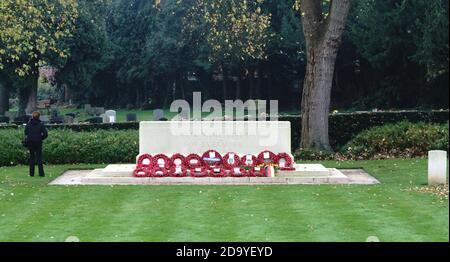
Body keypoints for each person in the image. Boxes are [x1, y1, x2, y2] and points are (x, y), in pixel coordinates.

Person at [24, 111, 48, 177]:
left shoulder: (28, 124)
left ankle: (31, 173)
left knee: (32, 157)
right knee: (39, 157)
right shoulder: (41, 124)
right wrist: (41, 138)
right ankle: (41, 173)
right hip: (38, 142)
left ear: (32, 116)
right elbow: (45, 134)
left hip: (30, 142)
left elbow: (26, 132)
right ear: (39, 117)